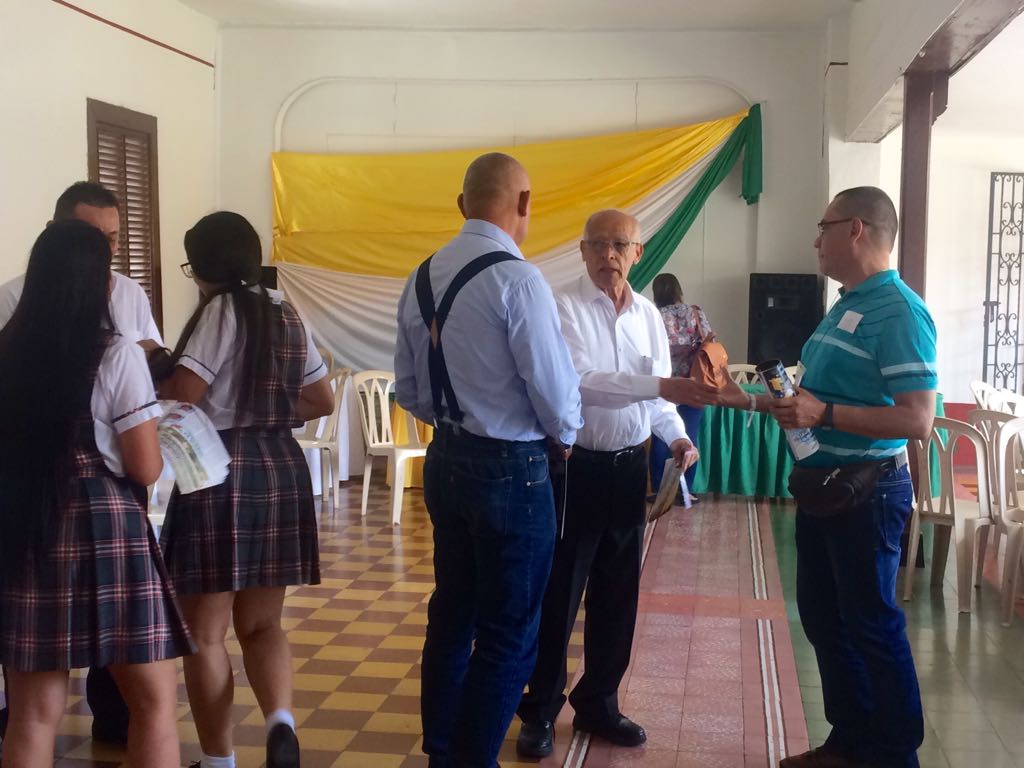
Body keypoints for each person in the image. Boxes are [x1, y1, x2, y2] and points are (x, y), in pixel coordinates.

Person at [720, 187, 935, 768]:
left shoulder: (900, 311)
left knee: (871, 623)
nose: (815, 240)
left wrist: (827, 415)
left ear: (857, 230)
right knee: (822, 616)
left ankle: (894, 754)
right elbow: (807, 401)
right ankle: (849, 742)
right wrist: (740, 400)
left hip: (867, 492)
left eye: (824, 227)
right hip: (824, 490)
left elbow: (918, 418)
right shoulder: (845, 304)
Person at [394, 152, 583, 768]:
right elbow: (555, 395)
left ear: (461, 205)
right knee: (509, 632)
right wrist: (566, 435)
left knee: (453, 613)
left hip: (445, 460)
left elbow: (410, 391)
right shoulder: (518, 279)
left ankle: (444, 753)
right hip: (512, 469)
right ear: (525, 204)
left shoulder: (421, 275)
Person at [516, 209, 722, 758]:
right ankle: (539, 709)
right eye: (598, 244)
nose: (608, 255)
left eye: (620, 245)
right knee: (560, 594)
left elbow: (654, 401)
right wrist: (664, 382)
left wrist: (676, 437)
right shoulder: (561, 306)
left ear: (638, 252)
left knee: (618, 595)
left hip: (631, 468)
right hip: (574, 468)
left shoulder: (649, 315)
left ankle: (598, 703)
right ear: (582, 251)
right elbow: (581, 384)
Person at [0, 220, 190, 768]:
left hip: (26, 523)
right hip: (105, 528)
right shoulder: (116, 353)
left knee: (32, 712)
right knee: (152, 702)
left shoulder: (6, 352)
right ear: (96, 282)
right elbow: (145, 467)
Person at [158, 212, 333, 768]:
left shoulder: (219, 310)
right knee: (262, 625)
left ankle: (218, 762)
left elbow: (186, 392)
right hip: (280, 467)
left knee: (206, 635)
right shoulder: (285, 311)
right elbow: (322, 400)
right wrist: (271, 410)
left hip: (217, 468)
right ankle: (281, 725)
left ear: (204, 266)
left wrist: (152, 362)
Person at [647, 272, 715, 502]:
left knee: (660, 437)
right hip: (694, 384)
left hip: (665, 384)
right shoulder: (695, 312)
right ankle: (686, 492)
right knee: (690, 436)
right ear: (678, 290)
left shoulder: (654, 316)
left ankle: (659, 490)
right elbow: (709, 342)